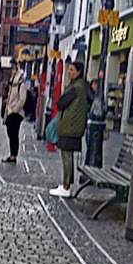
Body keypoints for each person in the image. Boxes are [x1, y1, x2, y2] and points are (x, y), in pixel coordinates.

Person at [49, 61, 88, 198]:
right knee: (67, 156)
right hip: (73, 127)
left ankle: (66, 187)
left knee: (66, 157)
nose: (69, 72)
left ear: (78, 72)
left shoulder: (75, 87)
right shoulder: (81, 86)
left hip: (69, 127)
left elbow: (60, 102)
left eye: (71, 70)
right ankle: (66, 185)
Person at [2, 60, 27, 163]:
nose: (11, 71)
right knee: (10, 133)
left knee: (13, 134)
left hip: (16, 113)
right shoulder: (13, 82)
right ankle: (12, 154)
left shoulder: (21, 83)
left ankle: (13, 155)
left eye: (13, 69)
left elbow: (22, 99)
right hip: (10, 111)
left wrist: (14, 110)